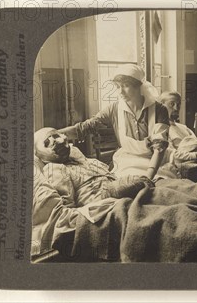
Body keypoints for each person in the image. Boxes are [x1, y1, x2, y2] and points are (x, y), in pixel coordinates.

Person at [33, 127, 153, 256]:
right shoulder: (55, 169)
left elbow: (111, 176)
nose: (55, 142)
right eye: (47, 142)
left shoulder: (85, 161)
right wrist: (112, 190)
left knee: (167, 188)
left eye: (56, 136)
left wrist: (127, 182)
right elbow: (72, 213)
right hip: (114, 206)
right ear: (40, 156)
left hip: (133, 195)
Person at [59, 64, 170, 178]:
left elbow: (159, 148)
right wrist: (56, 133)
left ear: (139, 87)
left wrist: (148, 177)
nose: (121, 91)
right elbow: (85, 127)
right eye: (118, 86)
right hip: (128, 161)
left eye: (126, 86)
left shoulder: (159, 110)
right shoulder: (114, 109)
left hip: (156, 163)